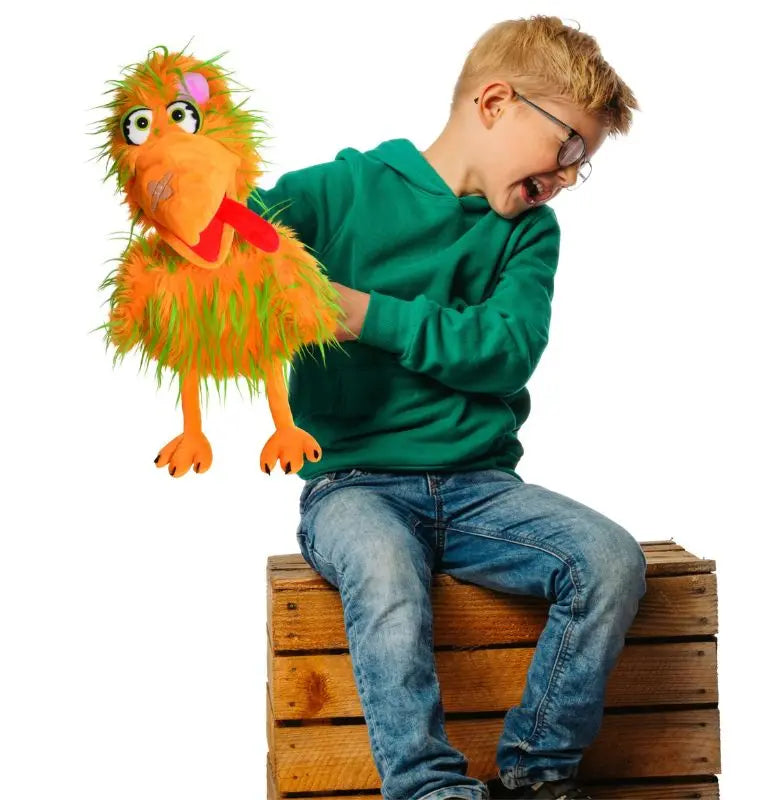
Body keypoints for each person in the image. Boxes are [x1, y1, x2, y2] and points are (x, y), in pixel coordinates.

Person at [249, 15, 646, 800]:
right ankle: (428, 788)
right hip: (353, 485)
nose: (569, 175)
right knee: (383, 565)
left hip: (480, 492)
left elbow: (505, 348)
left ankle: (537, 771)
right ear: (495, 103)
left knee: (609, 561)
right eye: (569, 146)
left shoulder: (528, 234)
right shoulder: (336, 194)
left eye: (584, 163)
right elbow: (218, 239)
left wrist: (362, 313)